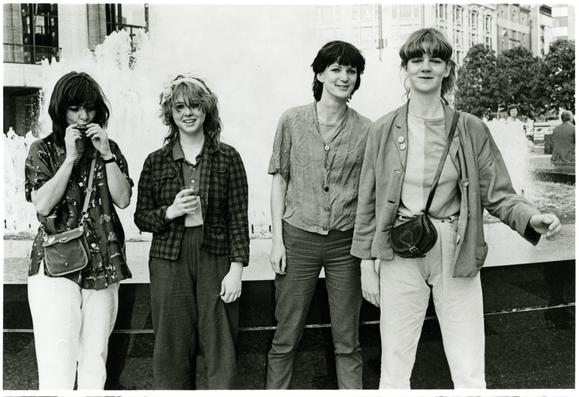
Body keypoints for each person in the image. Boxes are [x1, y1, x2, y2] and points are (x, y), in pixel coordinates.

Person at [351, 28, 562, 389]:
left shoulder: (471, 128)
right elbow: (367, 202)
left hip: (454, 247)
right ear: (406, 68)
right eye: (417, 59)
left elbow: (498, 193)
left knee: (467, 364)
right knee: (395, 365)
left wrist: (531, 217)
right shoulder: (383, 129)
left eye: (435, 59)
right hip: (400, 251)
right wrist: (366, 266)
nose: (426, 66)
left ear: (448, 68)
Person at [266, 41, 372, 389]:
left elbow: (370, 192)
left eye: (351, 71)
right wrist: (277, 242)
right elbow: (279, 180)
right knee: (286, 335)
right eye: (336, 69)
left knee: (348, 338)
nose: (344, 77)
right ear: (320, 73)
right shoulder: (292, 120)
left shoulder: (367, 130)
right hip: (298, 238)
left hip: (346, 245)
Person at [134, 74, 249, 389]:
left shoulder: (228, 157)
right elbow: (141, 217)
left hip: (215, 254)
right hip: (170, 258)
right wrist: (170, 212)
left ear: (206, 109)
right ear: (170, 113)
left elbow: (238, 216)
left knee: (221, 346)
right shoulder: (156, 162)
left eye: (195, 105)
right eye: (179, 107)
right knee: (171, 347)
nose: (188, 113)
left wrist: (236, 269)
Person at [24, 71, 133, 389]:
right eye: (75, 109)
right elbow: (42, 204)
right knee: (56, 361)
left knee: (95, 360)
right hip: (56, 267)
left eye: (89, 109)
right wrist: (70, 158)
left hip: (104, 264)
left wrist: (106, 154)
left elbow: (123, 199)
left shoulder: (108, 148)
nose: (83, 116)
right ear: (61, 110)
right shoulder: (42, 150)